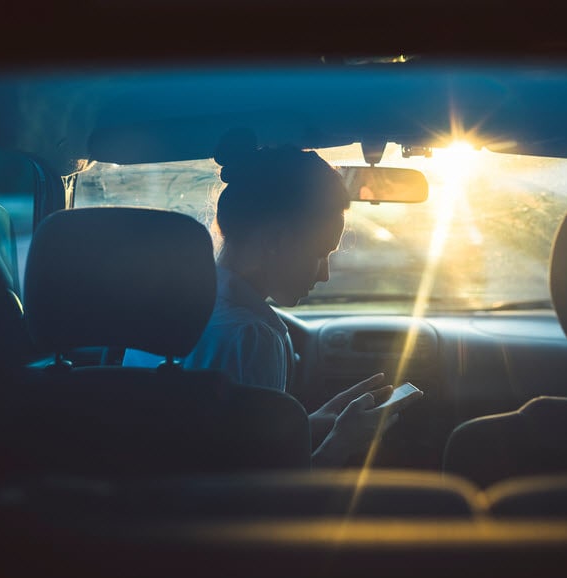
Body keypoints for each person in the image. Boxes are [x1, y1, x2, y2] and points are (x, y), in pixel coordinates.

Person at [124, 129, 422, 466]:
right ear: (276, 240)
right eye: (320, 254)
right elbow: (260, 494)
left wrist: (308, 422)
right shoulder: (252, 337)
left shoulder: (159, 312)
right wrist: (343, 441)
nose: (323, 274)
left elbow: (212, 448)